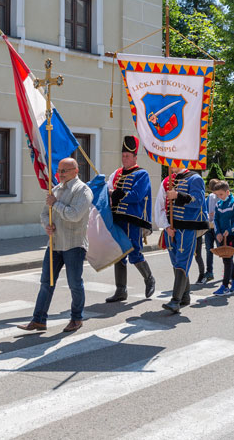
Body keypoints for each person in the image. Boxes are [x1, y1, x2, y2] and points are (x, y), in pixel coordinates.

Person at [17, 158, 93, 332]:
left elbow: (74, 215)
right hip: (55, 243)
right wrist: (47, 225)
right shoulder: (56, 190)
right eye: (59, 170)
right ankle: (39, 319)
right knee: (46, 282)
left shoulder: (83, 190)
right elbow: (44, 213)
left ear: (75, 170)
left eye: (64, 171)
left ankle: (76, 318)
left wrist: (55, 204)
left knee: (74, 283)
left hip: (74, 244)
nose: (60, 174)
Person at [105, 136, 155, 303]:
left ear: (135, 157)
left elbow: (136, 196)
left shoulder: (141, 174)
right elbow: (109, 190)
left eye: (128, 156)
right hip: (117, 218)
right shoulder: (118, 173)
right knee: (119, 254)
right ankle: (121, 290)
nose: (125, 158)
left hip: (132, 220)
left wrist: (115, 194)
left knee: (134, 252)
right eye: (123, 155)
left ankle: (149, 278)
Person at [159, 166, 208, 314]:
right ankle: (185, 296)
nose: (170, 164)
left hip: (187, 228)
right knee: (175, 262)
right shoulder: (171, 180)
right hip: (171, 228)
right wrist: (167, 226)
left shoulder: (195, 178)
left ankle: (175, 301)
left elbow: (198, 201)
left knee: (182, 261)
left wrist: (178, 195)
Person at [212, 181, 234, 295]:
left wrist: (229, 230)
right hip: (221, 235)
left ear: (227, 192)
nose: (219, 197)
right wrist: (218, 233)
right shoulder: (218, 204)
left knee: (227, 259)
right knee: (226, 258)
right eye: (217, 195)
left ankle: (225, 285)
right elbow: (215, 220)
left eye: (221, 194)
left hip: (232, 234)